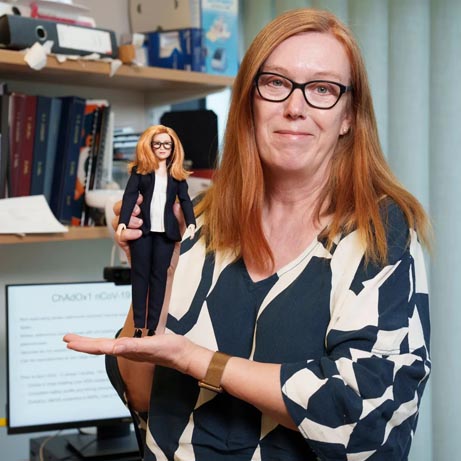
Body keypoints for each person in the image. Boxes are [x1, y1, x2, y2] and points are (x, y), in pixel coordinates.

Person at [64, 8, 431, 460]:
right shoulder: (194, 221)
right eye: (275, 83)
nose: (295, 107)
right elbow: (142, 397)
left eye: (322, 89)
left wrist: (195, 359)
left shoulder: (381, 234)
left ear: (349, 116)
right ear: (249, 101)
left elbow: (364, 416)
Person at [116, 125, 196, 337]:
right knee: (140, 276)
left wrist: (191, 222)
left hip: (166, 233)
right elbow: (130, 197)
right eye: (158, 144)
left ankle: (152, 328)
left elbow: (185, 200)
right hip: (143, 231)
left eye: (167, 144)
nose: (162, 148)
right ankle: (138, 327)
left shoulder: (177, 176)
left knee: (159, 277)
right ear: (149, 146)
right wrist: (123, 221)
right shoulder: (140, 172)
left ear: (173, 148)